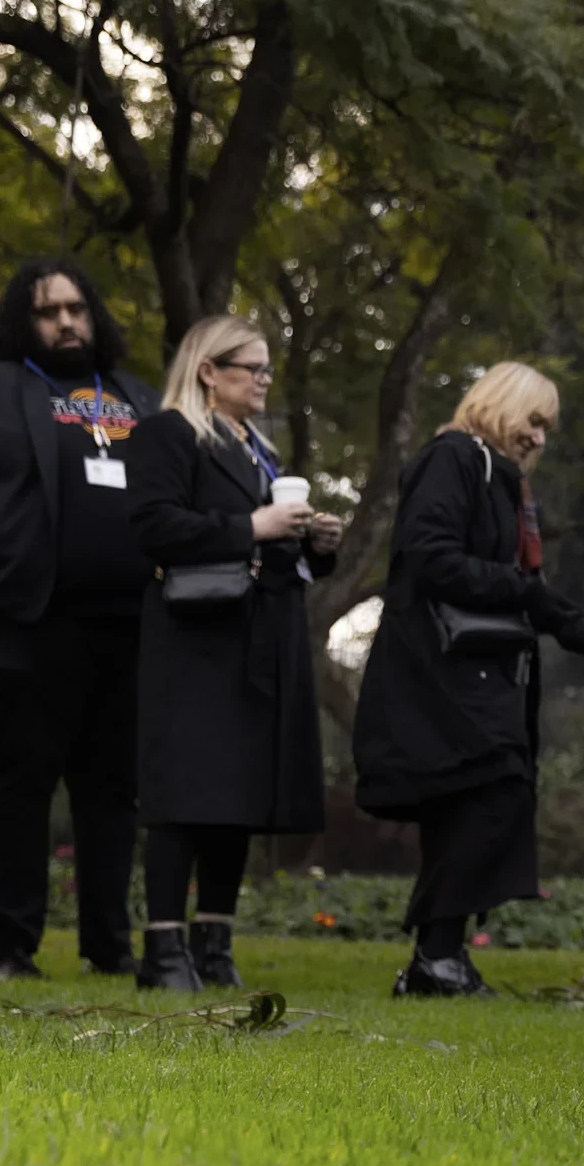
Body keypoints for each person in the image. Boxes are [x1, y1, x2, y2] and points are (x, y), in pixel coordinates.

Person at [353, 362, 584, 997]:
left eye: (547, 429)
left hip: (477, 670)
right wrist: (531, 596)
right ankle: (437, 954)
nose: (539, 437)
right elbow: (430, 557)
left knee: (474, 800)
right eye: (534, 421)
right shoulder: (455, 458)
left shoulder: (502, 479)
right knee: (493, 792)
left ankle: (439, 958)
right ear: (500, 403)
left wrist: (548, 610)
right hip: (439, 671)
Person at [0, 259, 160, 981]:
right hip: (29, 621)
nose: (66, 322)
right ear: (23, 320)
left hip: (128, 628)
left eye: (77, 308)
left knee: (113, 793)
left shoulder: (134, 395)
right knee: (19, 787)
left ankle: (110, 944)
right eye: (48, 311)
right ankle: (14, 949)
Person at [124, 316, 342, 991]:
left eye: (268, 368)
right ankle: (164, 950)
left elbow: (269, 544)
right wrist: (252, 524)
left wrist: (313, 544)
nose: (265, 380)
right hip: (194, 637)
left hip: (259, 635)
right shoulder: (167, 434)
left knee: (239, 792)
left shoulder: (258, 450)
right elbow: (154, 525)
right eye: (253, 367)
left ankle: (214, 944)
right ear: (208, 371)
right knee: (185, 790)